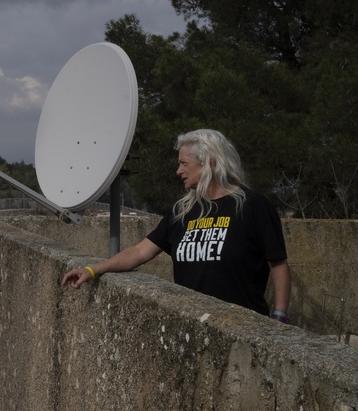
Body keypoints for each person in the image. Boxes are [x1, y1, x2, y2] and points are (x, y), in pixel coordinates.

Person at [61, 129, 291, 323]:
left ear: (209, 163)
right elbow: (140, 252)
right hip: (191, 324)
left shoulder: (253, 206)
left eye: (184, 163)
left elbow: (278, 263)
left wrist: (280, 316)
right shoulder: (182, 212)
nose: (178, 171)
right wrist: (93, 270)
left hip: (243, 327)